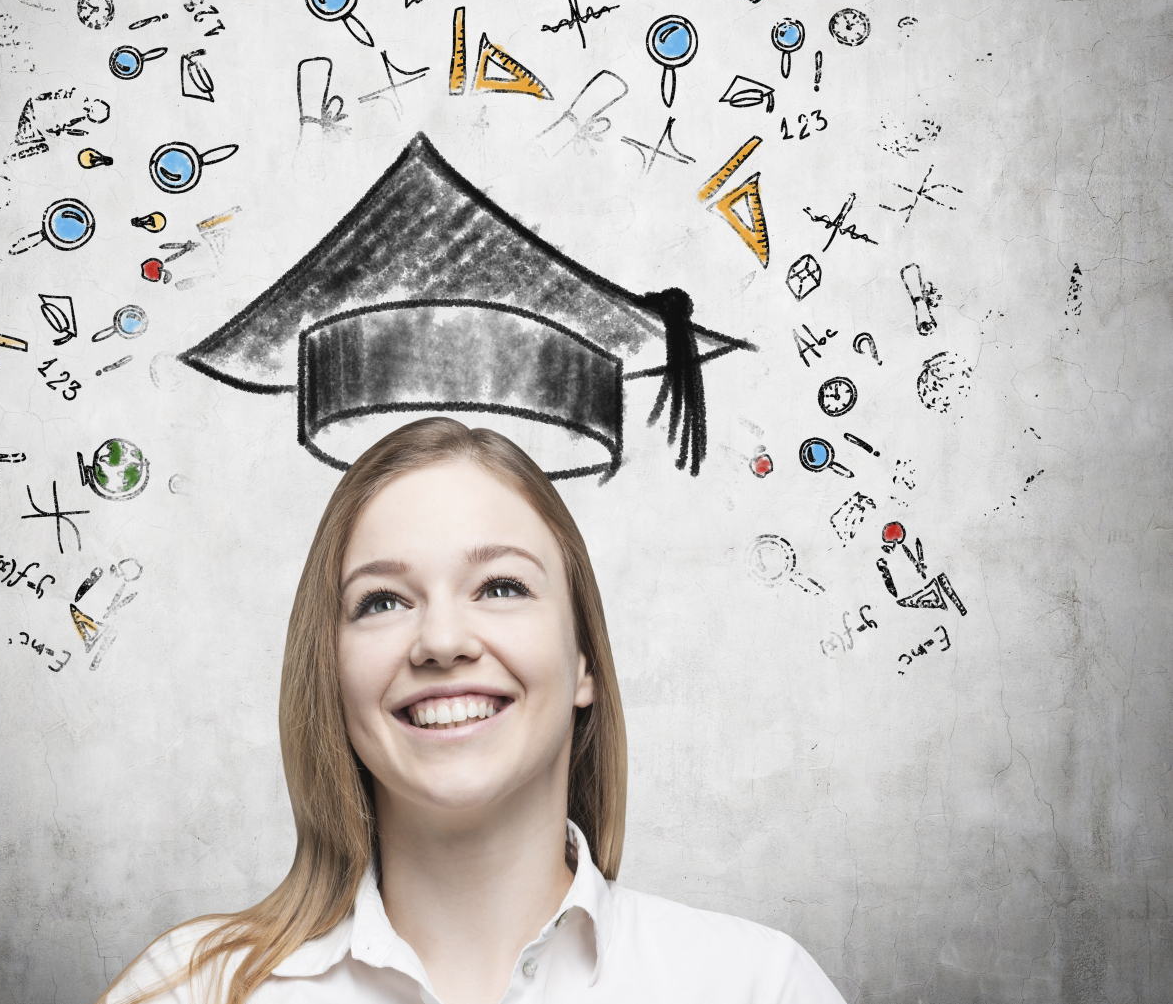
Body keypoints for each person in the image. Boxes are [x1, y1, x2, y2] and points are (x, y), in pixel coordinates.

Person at [101, 417, 845, 1004]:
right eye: (382, 600)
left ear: (585, 660)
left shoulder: (756, 987)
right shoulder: (193, 990)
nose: (443, 640)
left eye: (500, 586)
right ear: (328, 672)